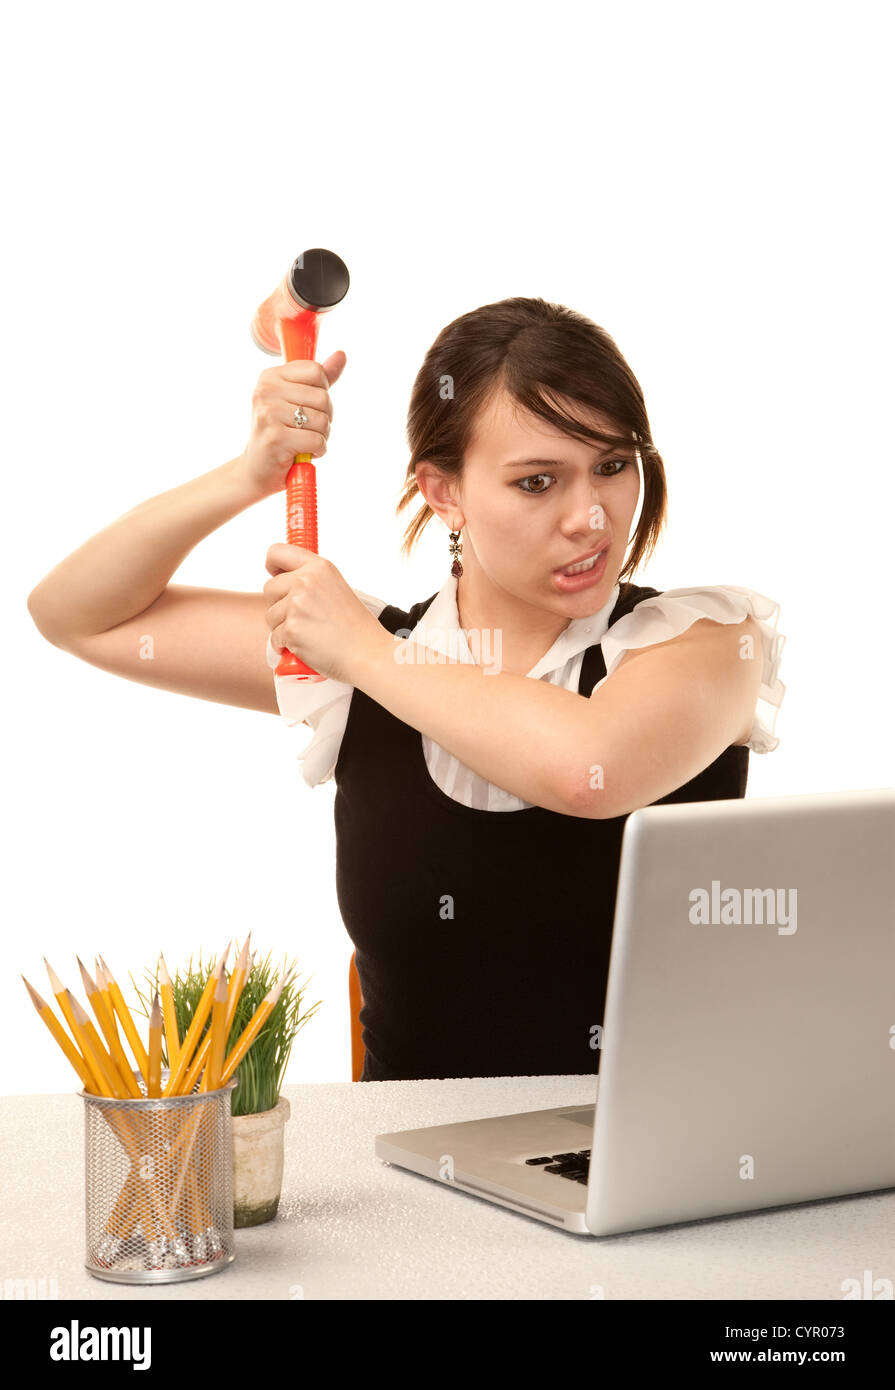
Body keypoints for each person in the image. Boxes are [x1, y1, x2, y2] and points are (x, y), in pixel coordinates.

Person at [27, 295, 786, 1082]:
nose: (590, 517)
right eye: (536, 483)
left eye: (612, 466)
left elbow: (589, 768)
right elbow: (79, 617)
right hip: (407, 1172)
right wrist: (246, 475)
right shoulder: (359, 656)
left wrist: (362, 651)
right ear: (443, 491)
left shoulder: (704, 640)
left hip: (653, 1170)